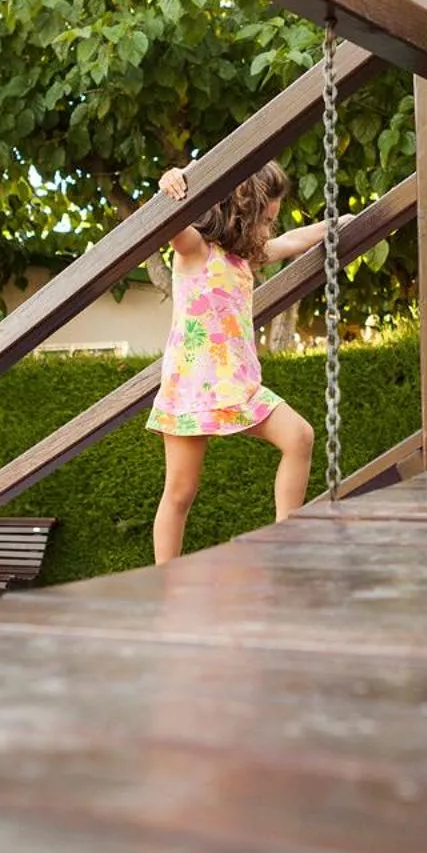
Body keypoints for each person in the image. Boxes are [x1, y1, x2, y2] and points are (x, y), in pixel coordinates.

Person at [147, 160, 350, 565]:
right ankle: (165, 579)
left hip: (237, 386)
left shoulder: (244, 259)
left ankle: (283, 539)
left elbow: (292, 241)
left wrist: (337, 224)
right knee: (180, 492)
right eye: (265, 221)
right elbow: (165, 222)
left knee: (300, 437)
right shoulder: (194, 249)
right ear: (241, 212)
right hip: (192, 386)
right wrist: (171, 180)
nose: (268, 231)